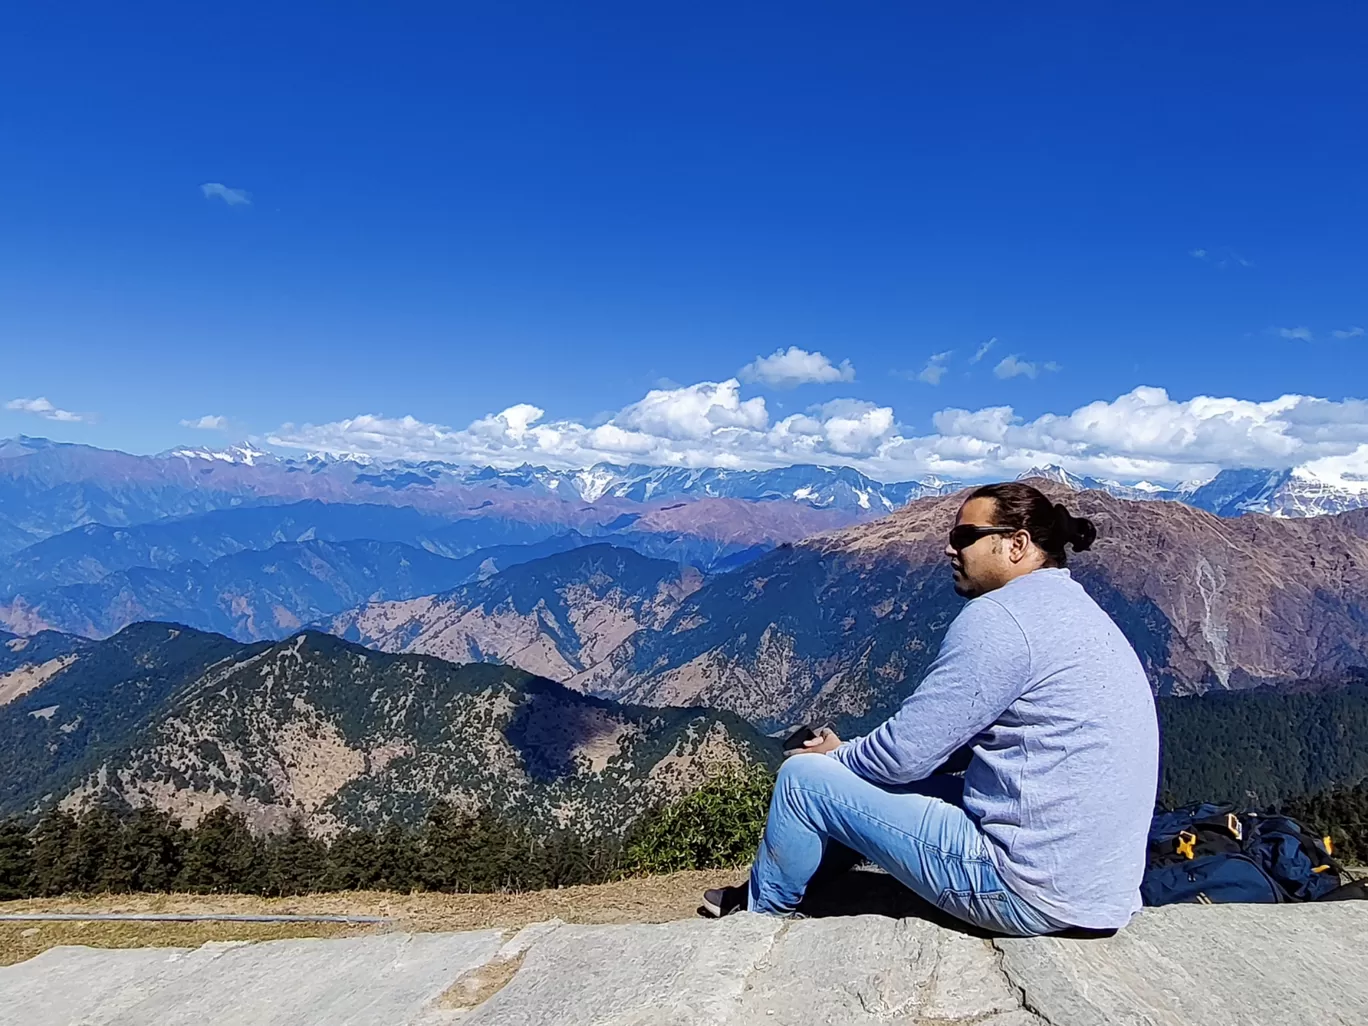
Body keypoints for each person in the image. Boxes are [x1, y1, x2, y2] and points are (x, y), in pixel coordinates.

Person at [702, 482, 1159, 936]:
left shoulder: (1001, 618)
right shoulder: (1076, 610)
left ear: (1016, 544)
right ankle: (800, 885)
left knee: (803, 782)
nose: (948, 549)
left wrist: (833, 759)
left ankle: (758, 925)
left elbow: (904, 757)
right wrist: (850, 753)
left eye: (965, 537)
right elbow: (951, 742)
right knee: (858, 777)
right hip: (1097, 891)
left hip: (1023, 887)